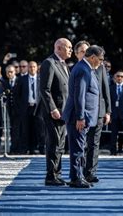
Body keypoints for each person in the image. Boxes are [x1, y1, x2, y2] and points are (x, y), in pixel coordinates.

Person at [62, 45, 104, 188]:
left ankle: (77, 176)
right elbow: (79, 96)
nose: (101, 62)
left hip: (82, 116)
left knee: (79, 147)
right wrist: (80, 117)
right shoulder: (82, 69)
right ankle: (76, 178)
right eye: (100, 59)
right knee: (78, 148)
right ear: (92, 57)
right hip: (78, 116)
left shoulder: (86, 68)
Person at [73, 40, 111, 183]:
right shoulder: (78, 68)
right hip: (84, 112)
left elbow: (105, 89)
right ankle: (79, 172)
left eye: (86, 51)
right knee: (81, 143)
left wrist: (108, 111)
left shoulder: (100, 68)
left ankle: (90, 172)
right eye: (82, 51)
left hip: (99, 111)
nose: (84, 53)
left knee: (94, 143)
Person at [39, 38, 72, 186]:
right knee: (53, 143)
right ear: (59, 47)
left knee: (60, 144)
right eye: (69, 47)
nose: (71, 50)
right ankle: (51, 176)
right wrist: (52, 108)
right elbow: (44, 89)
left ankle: (57, 174)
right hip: (54, 111)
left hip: (63, 111)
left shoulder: (63, 64)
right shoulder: (49, 63)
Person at [15, 61, 41, 154]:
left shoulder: (40, 79)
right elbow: (16, 95)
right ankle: (24, 148)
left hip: (37, 108)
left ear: (37, 68)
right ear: (27, 68)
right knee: (25, 129)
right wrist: (19, 108)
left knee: (36, 128)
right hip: (26, 108)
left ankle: (33, 148)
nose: (32, 69)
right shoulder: (22, 79)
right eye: (30, 67)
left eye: (34, 67)